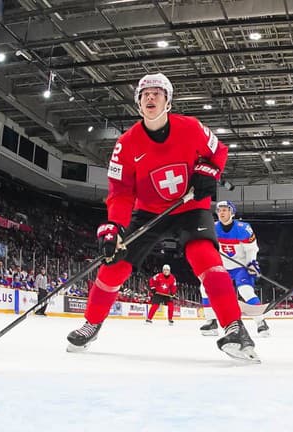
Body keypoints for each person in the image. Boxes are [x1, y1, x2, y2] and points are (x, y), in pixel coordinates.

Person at [66, 73, 259, 362]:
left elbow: (218, 152)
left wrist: (209, 171)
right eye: (145, 94)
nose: (150, 97)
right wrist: (113, 227)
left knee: (205, 257)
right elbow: (120, 191)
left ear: (168, 101)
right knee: (115, 264)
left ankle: (235, 328)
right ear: (138, 104)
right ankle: (91, 323)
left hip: (191, 206)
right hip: (148, 211)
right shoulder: (126, 144)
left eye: (157, 93)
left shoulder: (191, 128)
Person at [199, 200, 270, 337]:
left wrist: (251, 264)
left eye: (225, 210)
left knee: (246, 291)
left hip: (240, 267)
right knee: (204, 287)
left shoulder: (243, 228)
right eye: (219, 211)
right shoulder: (213, 228)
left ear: (232, 212)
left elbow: (251, 249)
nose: (221, 213)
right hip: (222, 266)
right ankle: (211, 321)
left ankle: (261, 323)